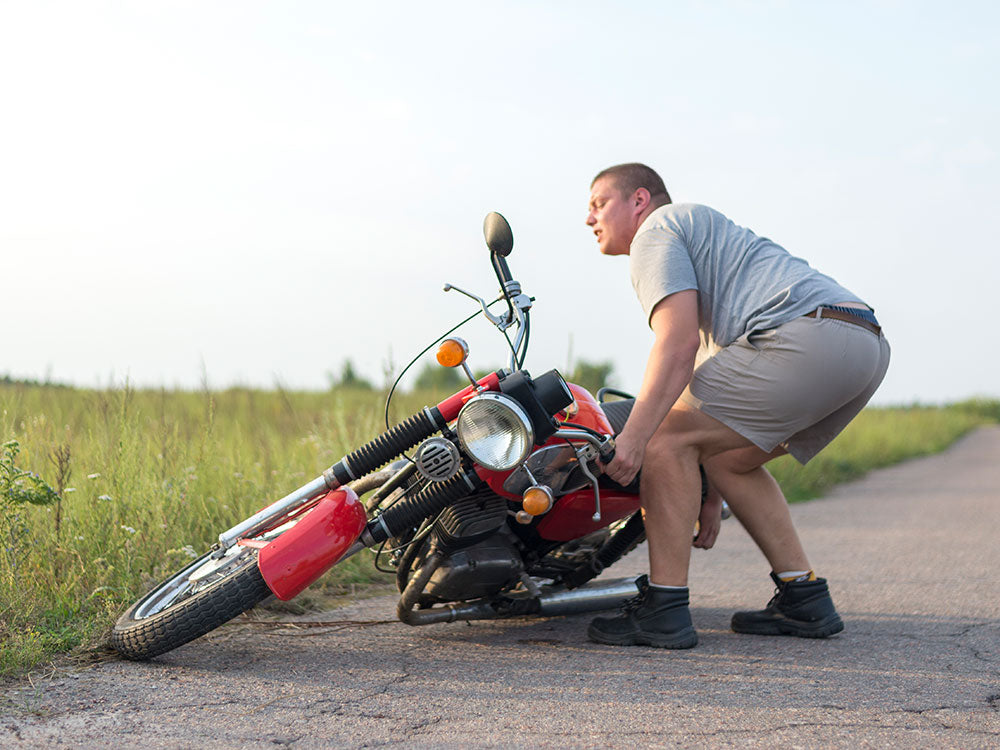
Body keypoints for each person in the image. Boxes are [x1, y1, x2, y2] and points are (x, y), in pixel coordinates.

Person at [584, 163, 890, 649]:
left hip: (803, 337)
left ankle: (663, 610)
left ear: (638, 200)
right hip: (861, 345)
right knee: (729, 459)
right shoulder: (706, 243)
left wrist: (634, 440)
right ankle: (804, 596)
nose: (589, 219)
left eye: (598, 204)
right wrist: (709, 490)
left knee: (663, 435)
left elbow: (677, 346)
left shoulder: (657, 231)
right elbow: (708, 380)